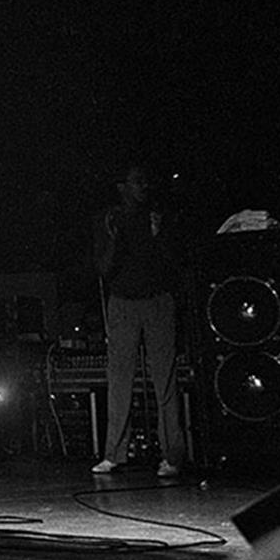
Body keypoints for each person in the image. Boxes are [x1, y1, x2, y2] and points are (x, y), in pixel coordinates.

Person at [92, 163, 186, 477]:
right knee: (119, 380)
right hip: (123, 302)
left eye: (145, 181)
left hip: (157, 300)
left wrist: (159, 236)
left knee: (165, 379)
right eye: (136, 181)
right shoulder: (110, 219)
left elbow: (175, 263)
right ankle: (114, 454)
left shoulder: (158, 216)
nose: (143, 187)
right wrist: (117, 240)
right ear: (122, 186)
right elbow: (104, 269)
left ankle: (172, 457)